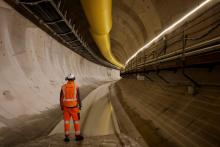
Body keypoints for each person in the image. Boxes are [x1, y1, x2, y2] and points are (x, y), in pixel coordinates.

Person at [60, 73, 84, 142]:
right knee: (76, 121)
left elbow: (61, 98)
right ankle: (77, 136)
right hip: (74, 107)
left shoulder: (63, 87)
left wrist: (61, 106)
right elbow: (78, 97)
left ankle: (67, 137)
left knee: (66, 122)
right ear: (74, 79)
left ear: (67, 79)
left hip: (66, 108)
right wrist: (80, 105)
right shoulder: (76, 86)